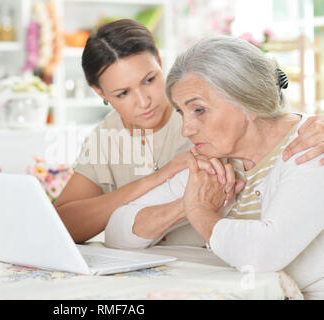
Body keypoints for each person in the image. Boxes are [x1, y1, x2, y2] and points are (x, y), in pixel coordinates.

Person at [54, 19, 324, 245]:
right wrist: (158, 179)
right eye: (123, 93)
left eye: (150, 80)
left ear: (159, 61)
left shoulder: (206, 116)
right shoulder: (108, 136)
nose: (144, 101)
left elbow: (270, 120)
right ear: (99, 92)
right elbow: (62, 224)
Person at [104, 35, 323, 299]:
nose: (186, 129)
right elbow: (117, 232)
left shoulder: (311, 145)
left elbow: (263, 254)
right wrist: (184, 206)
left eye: (199, 110)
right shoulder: (213, 158)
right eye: (181, 113)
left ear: (249, 100)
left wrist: (200, 212)